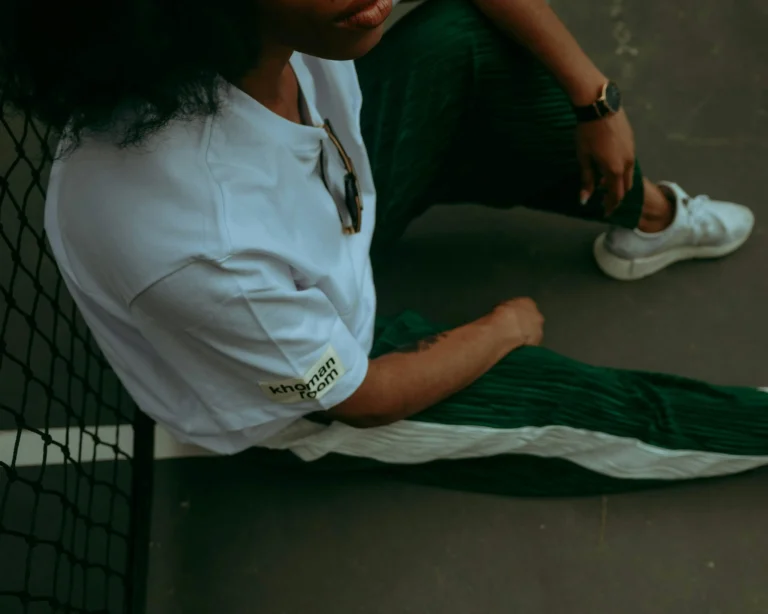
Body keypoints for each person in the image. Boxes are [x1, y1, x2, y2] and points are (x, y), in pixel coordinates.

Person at [2, 0, 766, 497]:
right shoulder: (197, 242)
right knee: (594, 412)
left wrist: (594, 99)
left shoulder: (290, 24)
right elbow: (362, 399)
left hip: (330, 220)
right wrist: (503, 329)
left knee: (463, 41)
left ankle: (648, 219)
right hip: (313, 393)